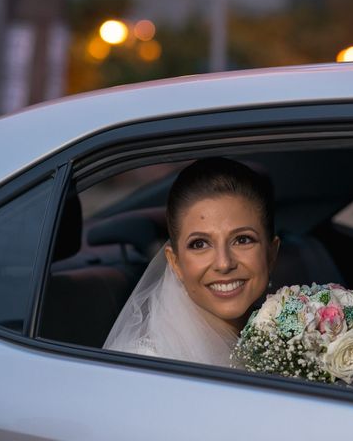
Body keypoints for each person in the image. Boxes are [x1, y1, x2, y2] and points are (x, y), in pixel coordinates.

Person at [103, 157, 280, 367]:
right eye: (200, 244)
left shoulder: (298, 336)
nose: (224, 264)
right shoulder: (147, 363)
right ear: (175, 262)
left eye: (242, 240)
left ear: (271, 253)